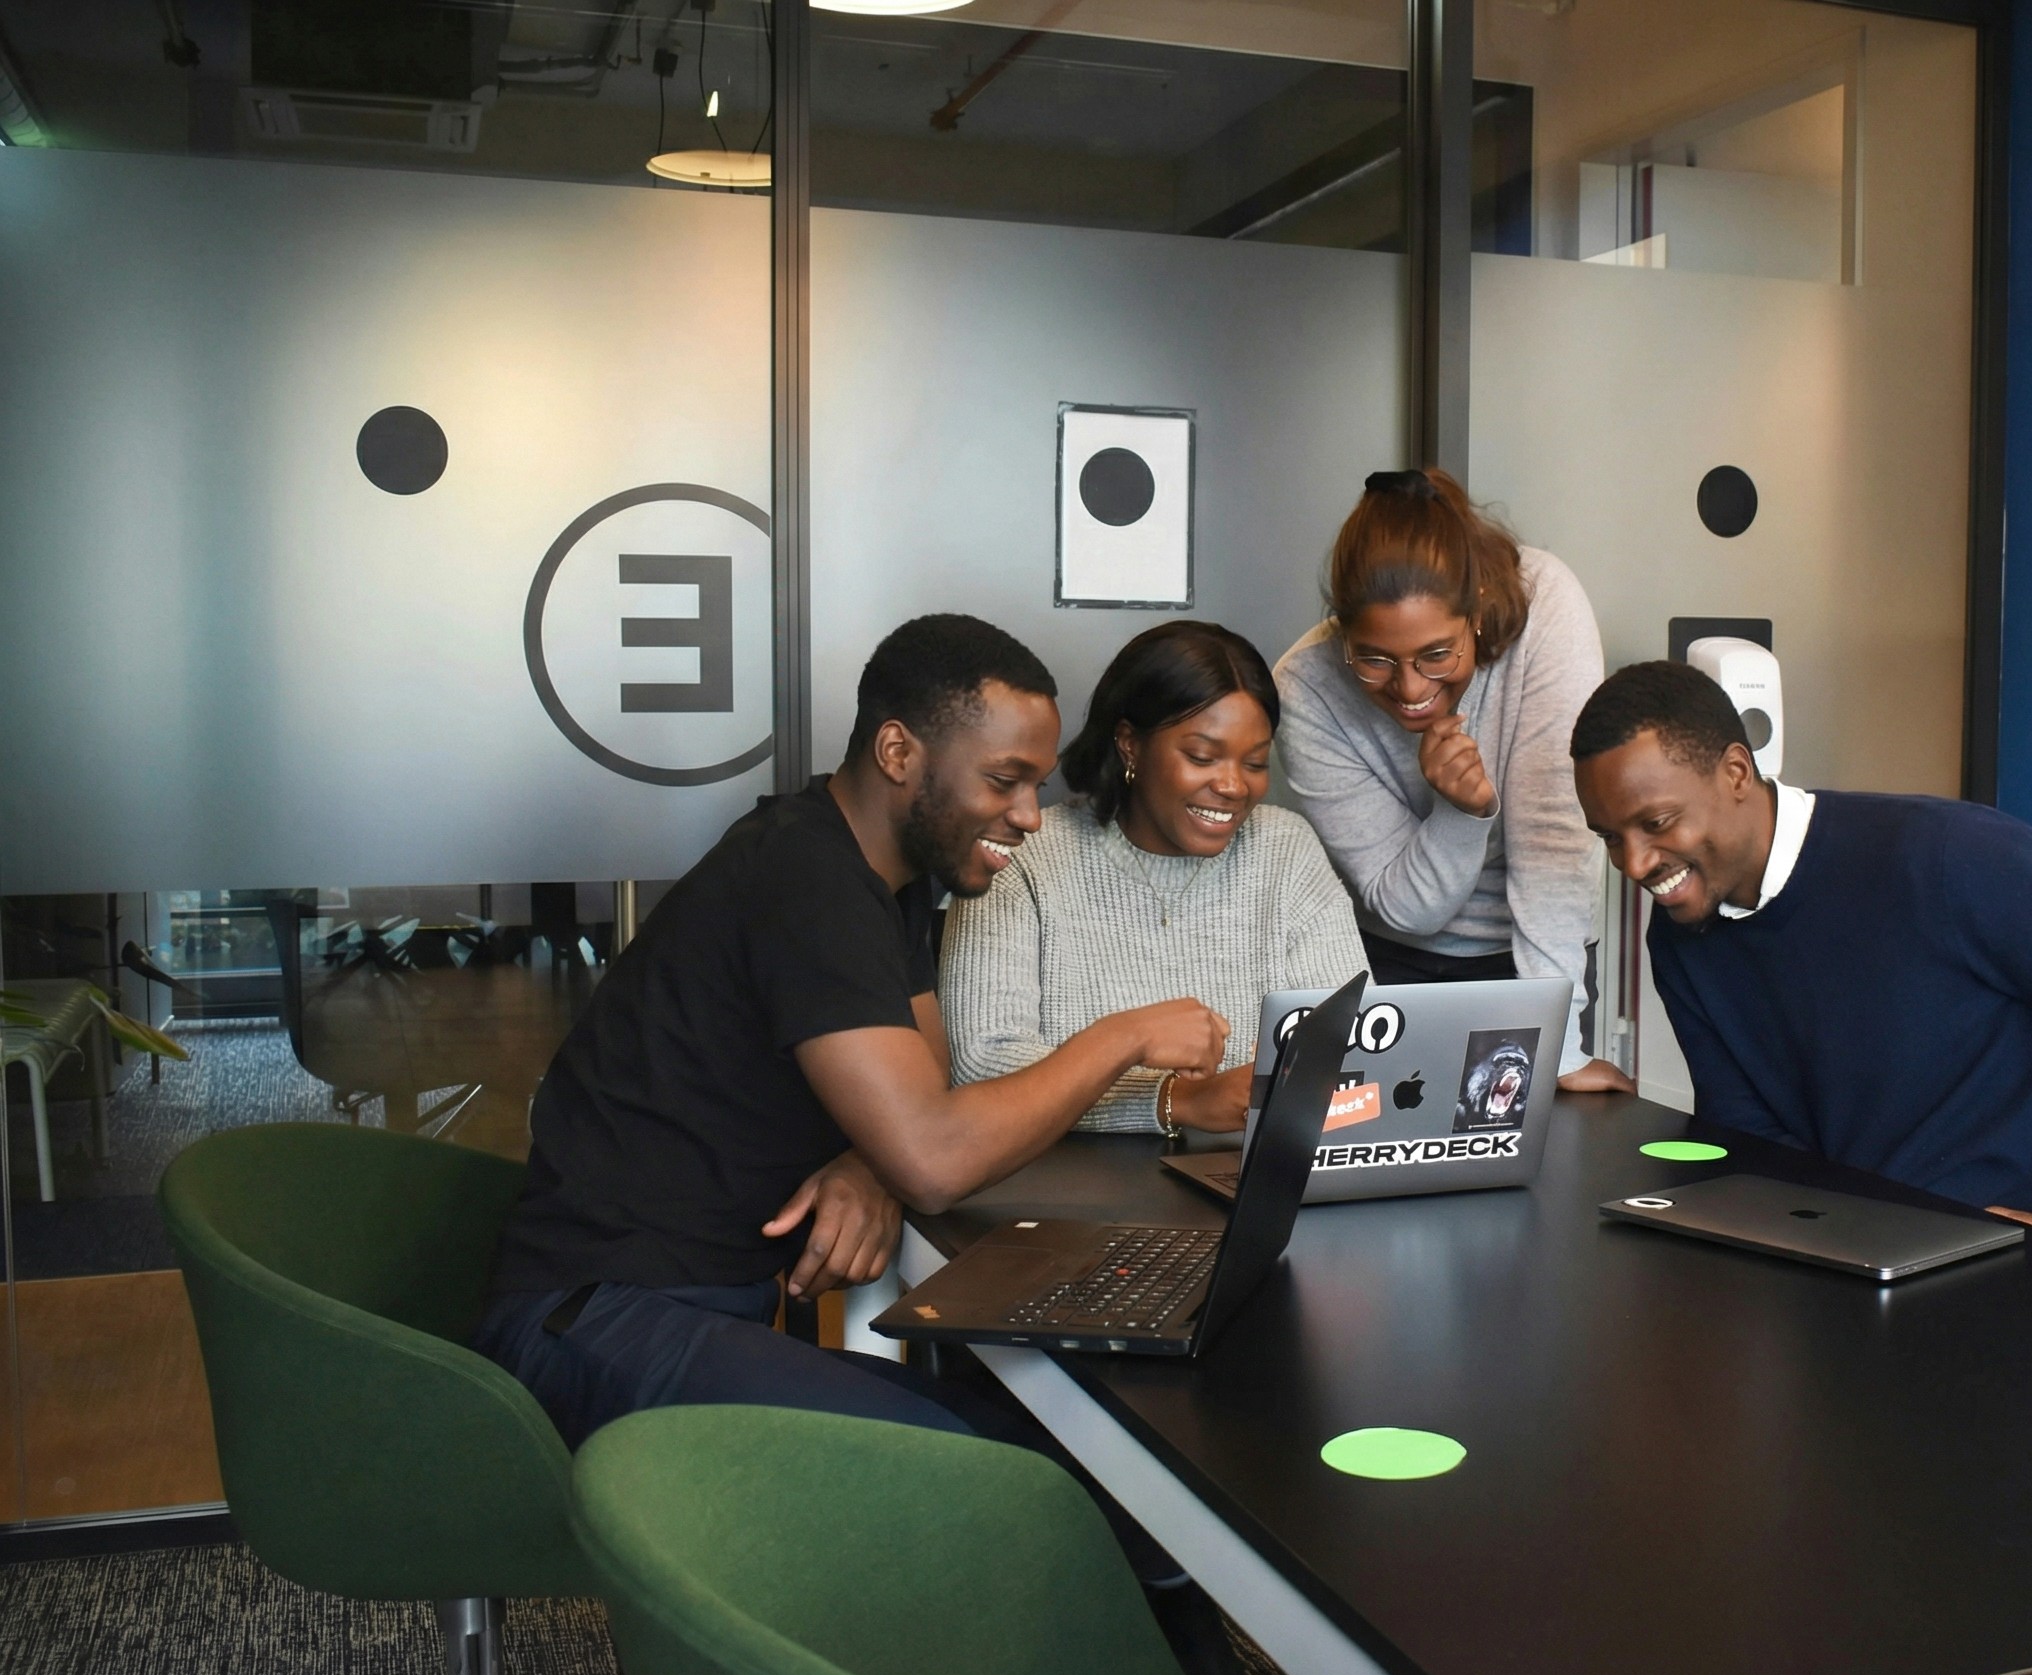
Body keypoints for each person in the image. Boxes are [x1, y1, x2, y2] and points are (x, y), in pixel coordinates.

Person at [471, 614, 1228, 1447]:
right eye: (1005, 780)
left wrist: (875, 1160)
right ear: (899, 753)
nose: (1030, 816)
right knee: (1013, 1470)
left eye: (1036, 785)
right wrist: (1118, 1039)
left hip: (683, 1308)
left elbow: (923, 1086)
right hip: (590, 1322)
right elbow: (937, 1159)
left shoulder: (879, 876)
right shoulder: (806, 880)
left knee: (1053, 1445)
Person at [1568, 660, 2032, 1249]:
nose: (1633, 862)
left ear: (1737, 772)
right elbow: (1749, 1134)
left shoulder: (1947, 858)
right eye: (1609, 837)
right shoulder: (1682, 935)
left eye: (1655, 824)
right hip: (1857, 1257)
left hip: (2011, 1274)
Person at [1273, 467, 1628, 1092]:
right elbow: (1407, 907)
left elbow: (1555, 843)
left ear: (1480, 612)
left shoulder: (1545, 602)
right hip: (1390, 964)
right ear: (1342, 631)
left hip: (1540, 962)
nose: (1411, 690)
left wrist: (1559, 1050)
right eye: (1375, 659)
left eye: (1438, 654)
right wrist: (1461, 813)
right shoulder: (1306, 690)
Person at [942, 621, 1368, 1135]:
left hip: (1245, 1181)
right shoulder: (1022, 855)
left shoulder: (1284, 850)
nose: (1234, 786)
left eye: (1255, 762)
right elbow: (984, 1066)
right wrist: (1175, 1099)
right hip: (1064, 1190)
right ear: (1129, 745)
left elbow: (1357, 1048)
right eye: (1201, 757)